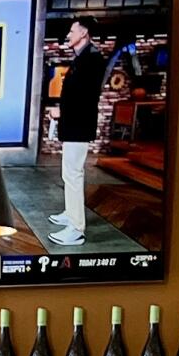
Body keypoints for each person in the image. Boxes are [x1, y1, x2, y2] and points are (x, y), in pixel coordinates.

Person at [47, 20, 120, 247]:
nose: (68, 34)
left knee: (74, 174)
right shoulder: (83, 57)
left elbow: (85, 98)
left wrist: (62, 111)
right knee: (69, 173)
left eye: (72, 31)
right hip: (73, 125)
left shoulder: (92, 59)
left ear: (84, 33)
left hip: (79, 125)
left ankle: (76, 229)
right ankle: (70, 214)